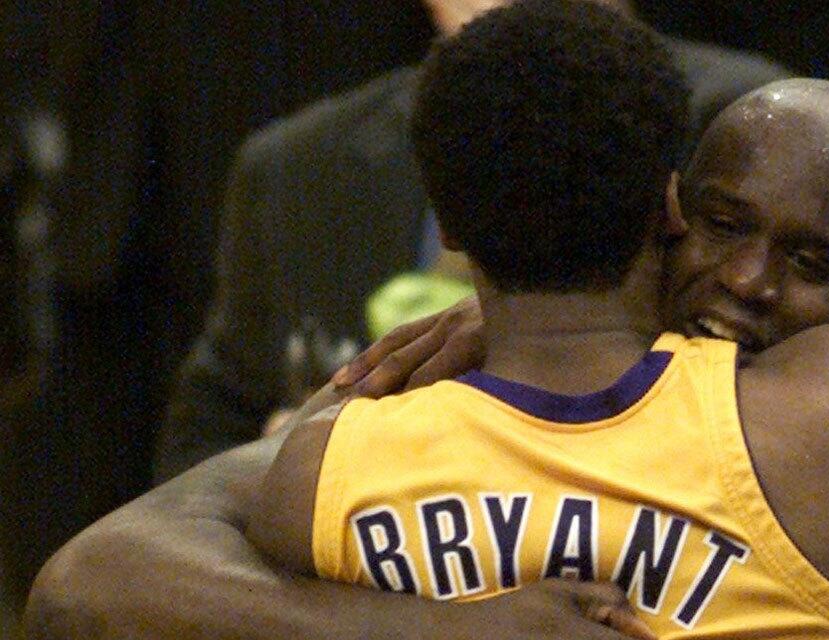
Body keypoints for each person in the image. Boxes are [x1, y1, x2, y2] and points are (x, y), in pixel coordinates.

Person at [24, 31, 829, 640]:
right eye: (722, 227)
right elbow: (86, 588)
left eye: (808, 261)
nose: (746, 282)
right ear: (663, 216)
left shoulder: (333, 457)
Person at [153, 0, 792, 481]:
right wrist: (304, 449)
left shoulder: (755, 124)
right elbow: (200, 446)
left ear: (669, 204)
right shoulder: (296, 164)